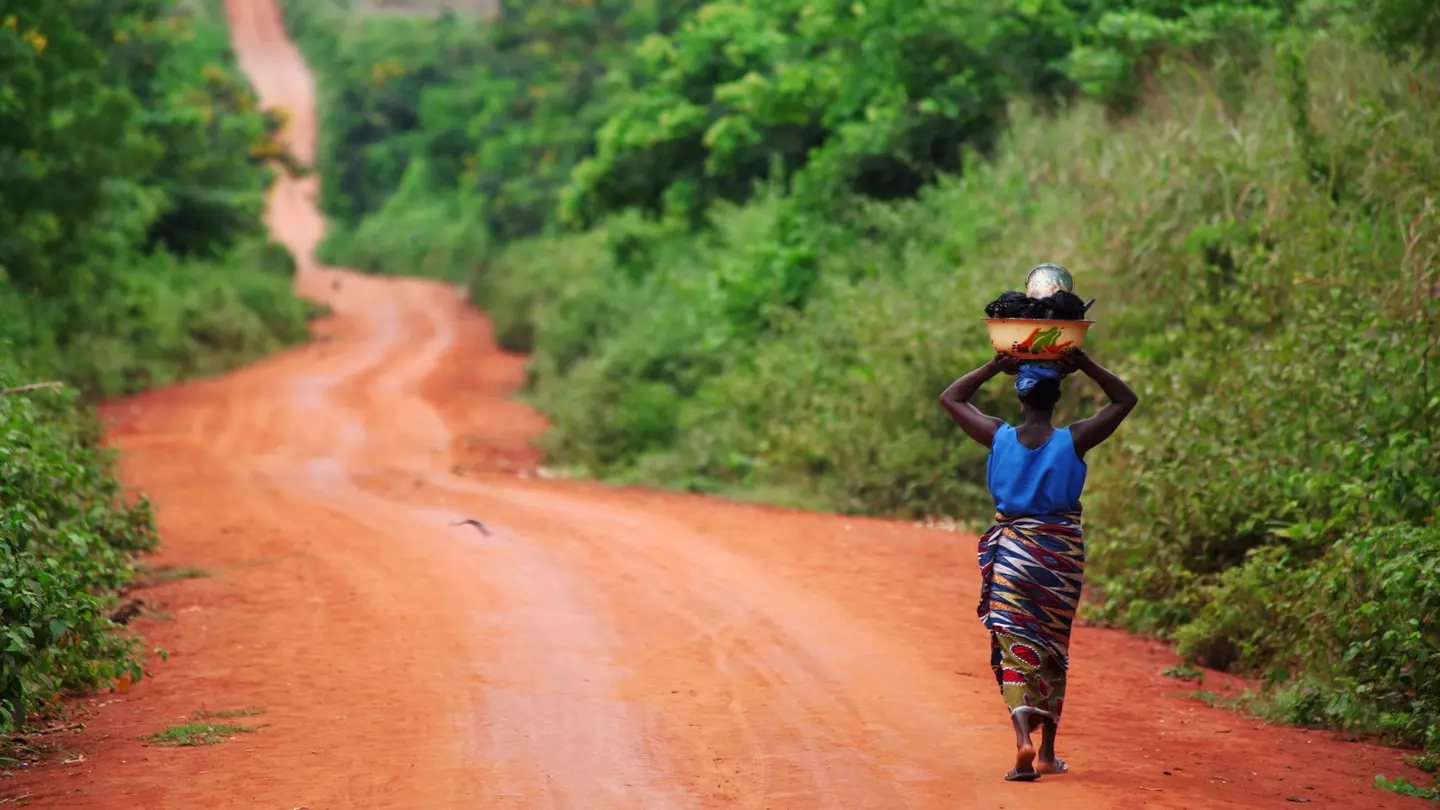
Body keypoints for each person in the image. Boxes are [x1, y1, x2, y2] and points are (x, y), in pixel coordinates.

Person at [939, 347, 1137, 782]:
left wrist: (993, 365)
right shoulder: (1076, 438)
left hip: (1013, 552)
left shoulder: (998, 435)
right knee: (1052, 646)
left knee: (1014, 644)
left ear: (1021, 398)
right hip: (1058, 558)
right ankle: (1047, 752)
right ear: (1055, 399)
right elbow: (1125, 400)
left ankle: (1022, 739)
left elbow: (951, 398)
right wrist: (1084, 362)